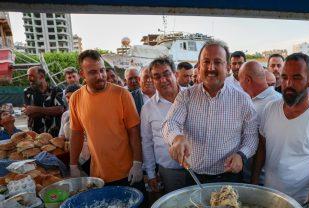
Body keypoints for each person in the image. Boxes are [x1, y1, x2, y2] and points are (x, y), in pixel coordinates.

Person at [162, 40, 258, 184]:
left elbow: (251, 137)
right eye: (206, 62)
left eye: (218, 62)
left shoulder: (242, 99)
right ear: (199, 66)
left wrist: (241, 155)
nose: (211, 67)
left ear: (228, 68)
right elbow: (170, 122)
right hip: (194, 177)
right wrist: (176, 138)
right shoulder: (186, 96)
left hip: (229, 177)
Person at [252, 53, 309, 207]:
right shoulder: (270, 109)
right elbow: (261, 148)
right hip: (268, 197)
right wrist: (253, 184)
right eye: (285, 77)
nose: (288, 83)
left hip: (302, 202)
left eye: (297, 78)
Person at [69, 50, 143, 188]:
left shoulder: (122, 94)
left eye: (102, 70)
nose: (100, 76)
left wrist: (138, 163)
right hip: (98, 175)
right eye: (93, 72)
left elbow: (134, 131)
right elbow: (76, 133)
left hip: (128, 173)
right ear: (82, 74)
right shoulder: (76, 98)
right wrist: (73, 165)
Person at [142, 57, 187, 193]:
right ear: (152, 80)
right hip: (169, 173)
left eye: (166, 74)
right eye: (157, 76)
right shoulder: (148, 108)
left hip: (199, 169)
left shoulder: (193, 96)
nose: (163, 80)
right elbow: (147, 142)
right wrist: (150, 174)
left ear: (175, 74)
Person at [239, 61, 281, 183]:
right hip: (245, 171)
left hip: (262, 179)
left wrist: (255, 178)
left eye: (240, 81)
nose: (239, 85)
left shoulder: (277, 103)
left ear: (247, 80)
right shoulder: (248, 99)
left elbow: (269, 145)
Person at [23, 66, 65, 136]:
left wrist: (35, 109)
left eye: (32, 76)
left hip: (54, 133)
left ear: (42, 76)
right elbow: (30, 113)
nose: (29, 79)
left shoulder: (56, 90)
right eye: (28, 76)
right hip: (35, 133)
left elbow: (60, 110)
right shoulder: (27, 91)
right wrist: (51, 111)